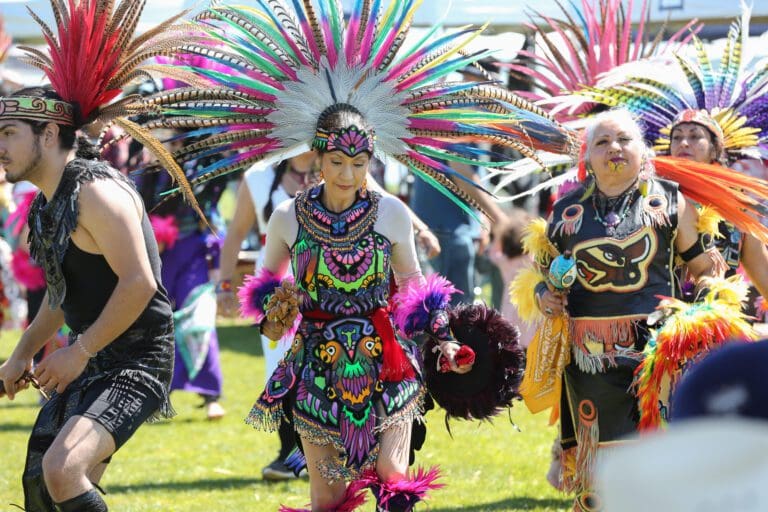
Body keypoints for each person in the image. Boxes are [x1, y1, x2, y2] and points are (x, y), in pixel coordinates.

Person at [0, 0, 195, 509]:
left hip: (137, 362)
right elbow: (62, 297)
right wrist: (22, 353)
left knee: (64, 469)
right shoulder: (46, 205)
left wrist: (76, 352)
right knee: (46, 482)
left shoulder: (97, 192)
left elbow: (140, 284)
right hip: (91, 358)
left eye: (7, 135)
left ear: (48, 134)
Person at [518, 109, 723, 511]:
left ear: (642, 151)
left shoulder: (670, 200)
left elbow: (704, 269)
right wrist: (545, 294)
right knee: (601, 479)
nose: (614, 149)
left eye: (624, 140)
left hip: (655, 355)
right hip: (588, 359)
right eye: (602, 142)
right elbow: (540, 274)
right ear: (588, 156)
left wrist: (704, 308)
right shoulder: (565, 210)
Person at [218, 152, 439, 482]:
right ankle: (287, 456)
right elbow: (265, 281)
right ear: (319, 159)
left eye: (359, 162)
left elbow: (413, 281)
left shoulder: (387, 209)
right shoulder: (280, 206)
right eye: (336, 161)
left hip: (387, 358)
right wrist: (272, 314)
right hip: (315, 359)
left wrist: (444, 335)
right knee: (328, 494)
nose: (348, 173)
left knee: (394, 480)